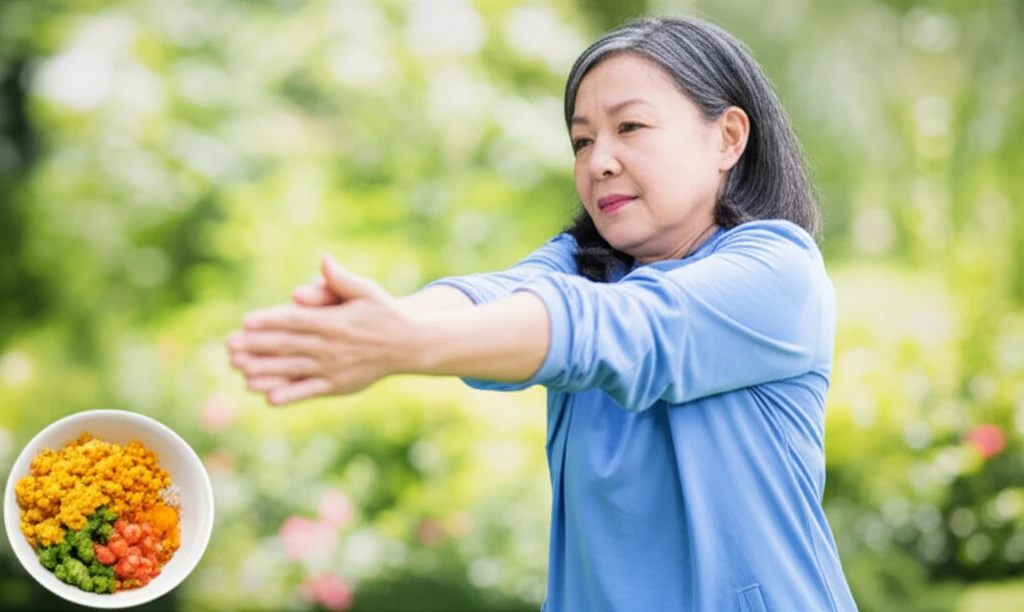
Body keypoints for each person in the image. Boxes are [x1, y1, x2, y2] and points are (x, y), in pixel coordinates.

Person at [226, 15, 858, 612]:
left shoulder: (778, 273)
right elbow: (493, 296)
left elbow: (618, 329)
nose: (598, 161)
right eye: (582, 140)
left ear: (727, 138)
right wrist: (383, 321)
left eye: (630, 127)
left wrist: (404, 341)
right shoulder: (582, 267)